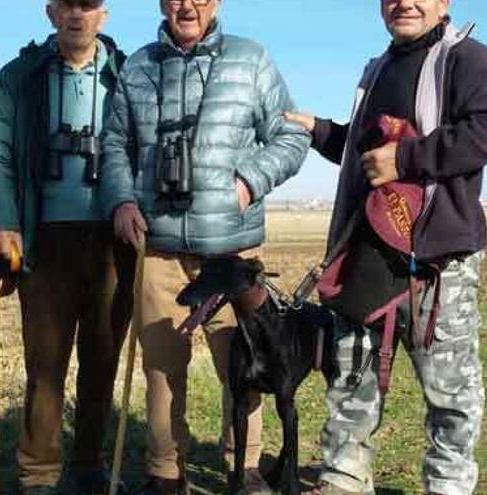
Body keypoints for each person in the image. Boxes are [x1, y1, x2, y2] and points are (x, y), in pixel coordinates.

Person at [285, 1, 487, 494]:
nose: (403, 2)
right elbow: (367, 154)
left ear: (445, 3)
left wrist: (407, 158)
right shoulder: (378, 68)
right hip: (366, 255)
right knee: (351, 377)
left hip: (438, 262)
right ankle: (344, 478)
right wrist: (319, 132)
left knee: (450, 392)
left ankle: (448, 486)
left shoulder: (468, 58)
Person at [100, 1, 311, 493]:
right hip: (160, 247)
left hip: (232, 255)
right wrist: (122, 200)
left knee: (245, 364)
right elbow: (115, 143)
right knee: (161, 366)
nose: (186, 5)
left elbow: (290, 136)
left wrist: (249, 180)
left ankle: (247, 464)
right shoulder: (139, 66)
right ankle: (166, 469)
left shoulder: (250, 59)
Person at [0, 1, 133, 494]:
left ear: (103, 15)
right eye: (67, 4)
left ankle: (88, 465)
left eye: (88, 5)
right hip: (43, 240)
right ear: (50, 12)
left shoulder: (131, 75)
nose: (77, 15)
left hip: (112, 240)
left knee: (102, 360)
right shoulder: (20, 76)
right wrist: (2, 222)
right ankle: (39, 473)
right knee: (45, 365)